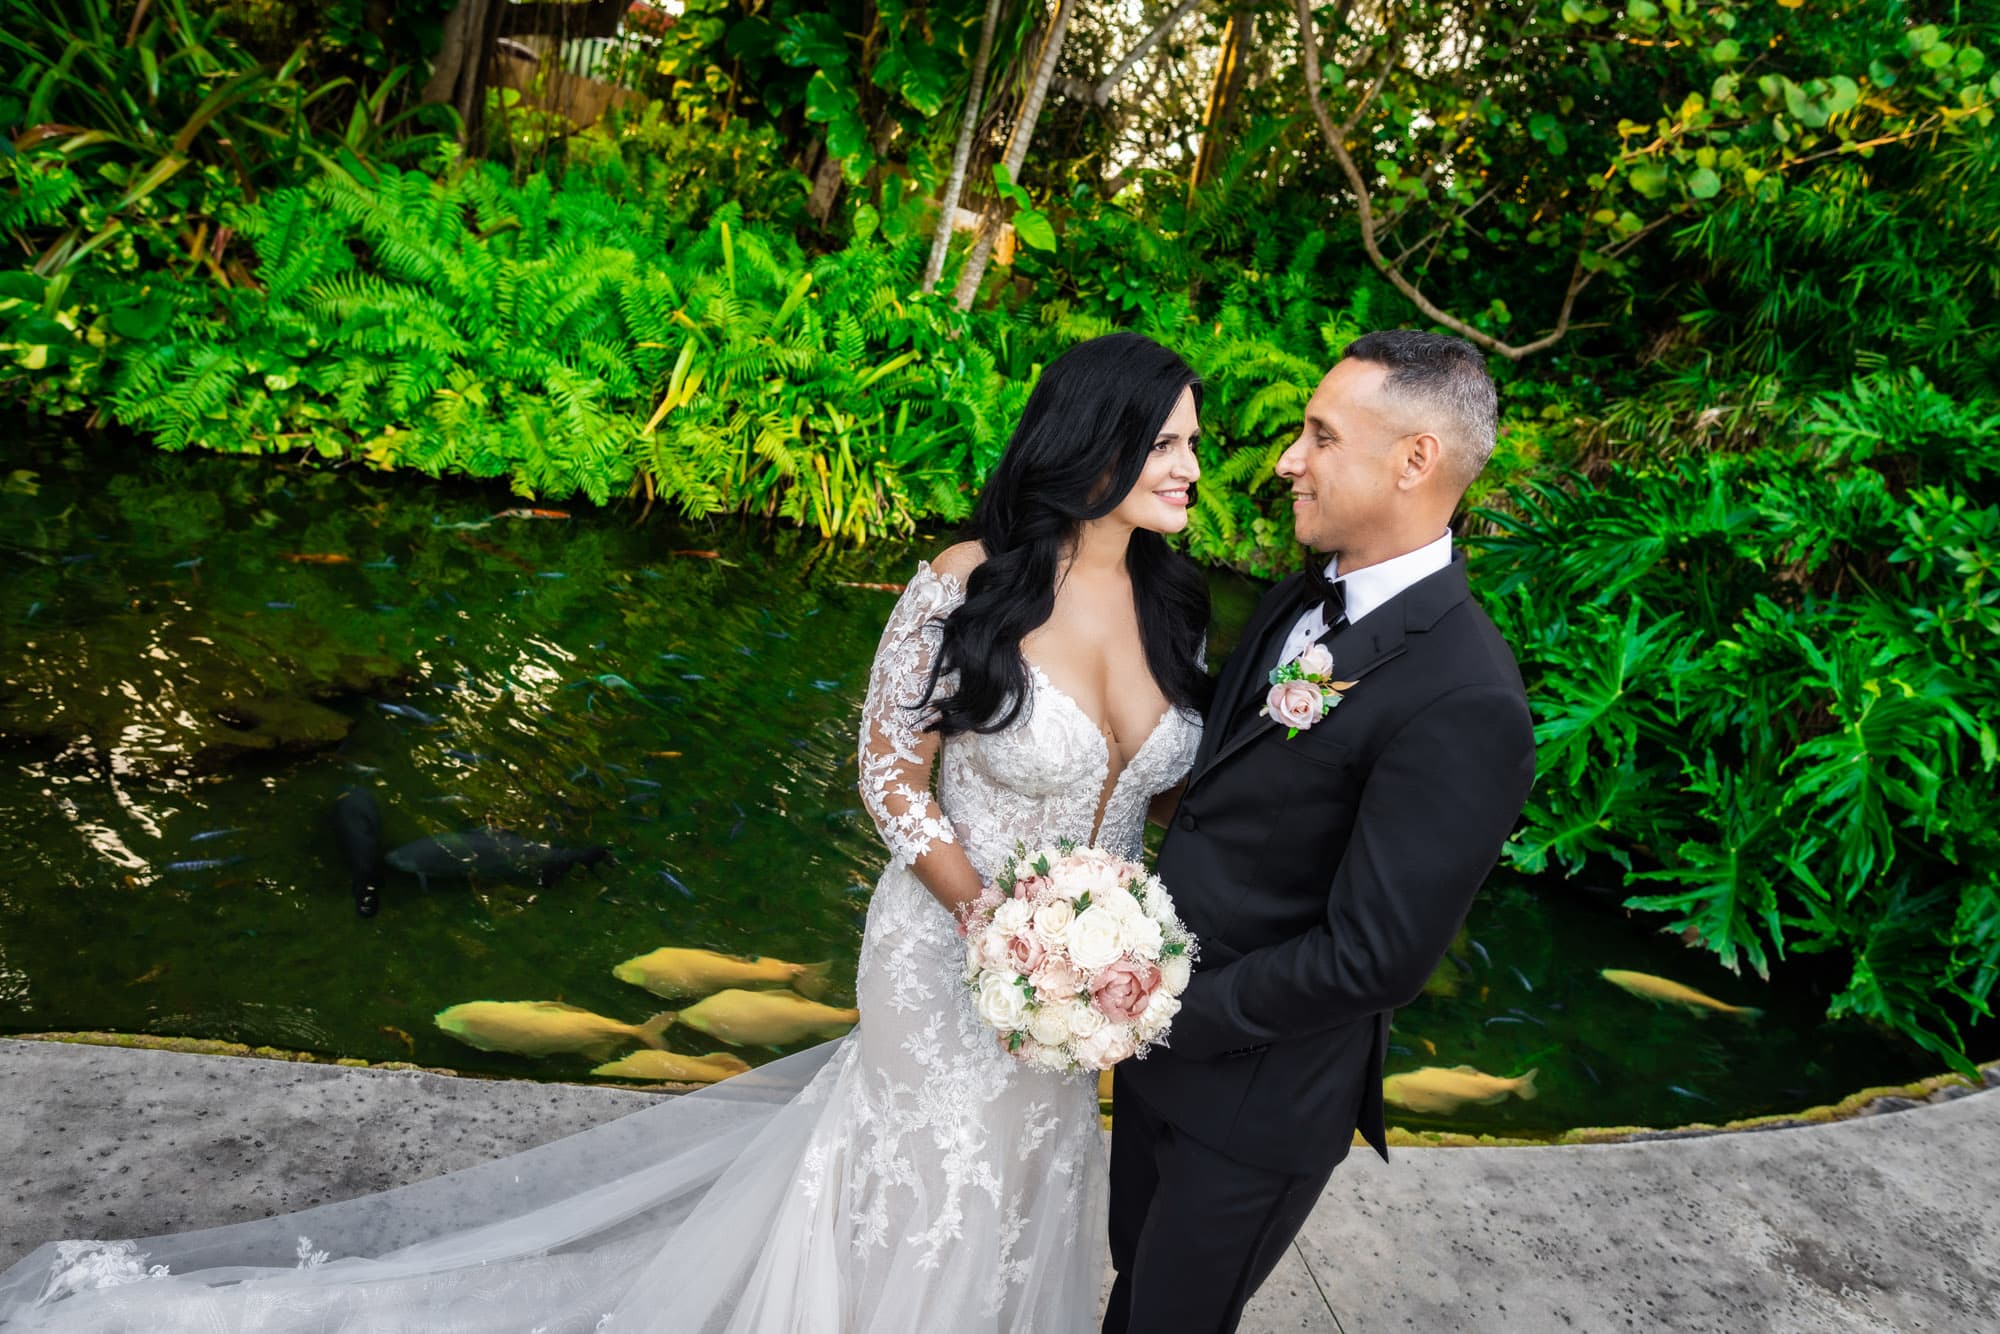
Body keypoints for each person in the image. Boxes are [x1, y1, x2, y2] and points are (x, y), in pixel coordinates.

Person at [0, 331, 1211, 1333]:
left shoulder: (1177, 610)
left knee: (1026, 1179)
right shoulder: (967, 582)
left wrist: (1112, 945)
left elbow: (1158, 785)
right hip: (944, 952)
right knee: (933, 1176)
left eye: (1192, 444)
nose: (1192, 467)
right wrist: (982, 909)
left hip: (1076, 989)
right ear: (1092, 441)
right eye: (1168, 442)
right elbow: (888, 772)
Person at [1103, 330, 1537, 1334]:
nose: (1285, 459)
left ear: (1412, 460)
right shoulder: (1301, 592)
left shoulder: (1465, 695)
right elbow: (1223, 783)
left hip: (1255, 1099)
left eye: (1318, 435)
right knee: (1131, 1279)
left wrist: (1173, 1006)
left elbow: (1374, 955)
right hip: (1152, 1048)